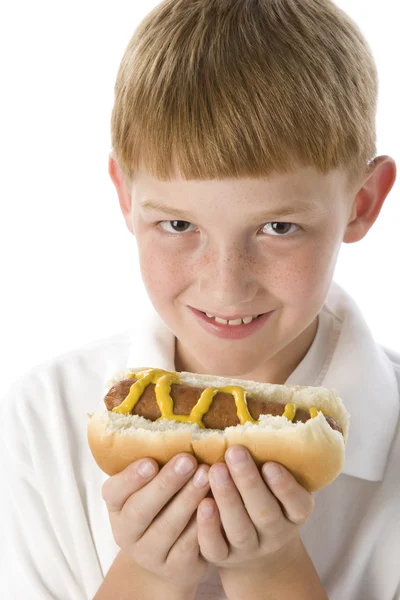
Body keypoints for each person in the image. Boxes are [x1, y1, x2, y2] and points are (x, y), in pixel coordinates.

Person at [1, 0, 399, 598]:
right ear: (126, 199)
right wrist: (145, 576)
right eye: (179, 227)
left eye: (279, 228)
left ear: (362, 204)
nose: (224, 285)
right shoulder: (43, 418)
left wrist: (272, 574)